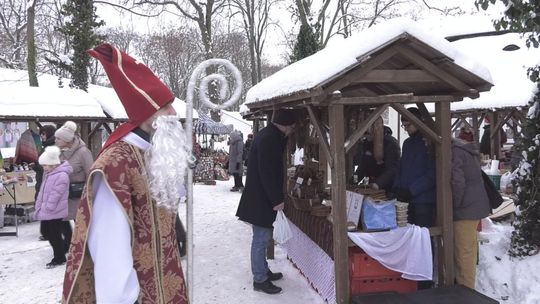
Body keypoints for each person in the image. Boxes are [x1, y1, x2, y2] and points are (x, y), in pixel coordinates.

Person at [62, 44, 189, 303]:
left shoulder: (155, 155)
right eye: (166, 107)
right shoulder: (115, 164)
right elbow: (110, 252)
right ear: (146, 113)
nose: (174, 114)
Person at [236, 109, 296, 295]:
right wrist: (276, 200)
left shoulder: (269, 135)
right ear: (285, 125)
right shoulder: (269, 139)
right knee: (261, 240)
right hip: (261, 199)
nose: (292, 130)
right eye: (291, 127)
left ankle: (263, 271)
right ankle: (260, 279)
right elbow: (267, 173)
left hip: (259, 197)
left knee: (263, 237)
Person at [451, 138, 491, 289]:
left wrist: (453, 205)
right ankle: (465, 287)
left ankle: (466, 291)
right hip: (474, 205)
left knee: (463, 253)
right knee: (469, 250)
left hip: (465, 208)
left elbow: (458, 183)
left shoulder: (455, 152)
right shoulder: (464, 149)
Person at [392, 107, 436, 228]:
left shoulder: (430, 142)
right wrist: (397, 187)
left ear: (418, 122)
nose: (406, 129)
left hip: (424, 201)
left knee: (423, 235)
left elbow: (432, 174)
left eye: (408, 125)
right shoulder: (407, 143)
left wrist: (412, 190)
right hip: (407, 200)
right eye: (404, 126)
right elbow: (401, 168)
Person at [54, 121, 93, 252]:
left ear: (66, 140)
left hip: (78, 195)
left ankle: (86, 248)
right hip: (63, 194)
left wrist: (89, 194)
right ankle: (69, 245)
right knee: (60, 220)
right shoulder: (59, 152)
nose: (56, 140)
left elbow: (91, 174)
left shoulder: (83, 152)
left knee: (81, 222)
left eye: (58, 138)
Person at [33, 146, 73, 268]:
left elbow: (56, 193)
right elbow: (43, 192)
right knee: (48, 232)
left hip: (54, 210)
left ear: (53, 164)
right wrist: (40, 205)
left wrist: (49, 206)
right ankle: (61, 252)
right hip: (48, 209)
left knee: (54, 234)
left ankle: (59, 256)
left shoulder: (61, 175)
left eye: (45, 165)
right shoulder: (49, 174)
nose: (43, 168)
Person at [353, 125, 401, 191]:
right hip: (372, 184)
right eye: (364, 135)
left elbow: (392, 169)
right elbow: (362, 167)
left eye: (368, 134)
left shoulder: (391, 143)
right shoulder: (367, 143)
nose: (366, 137)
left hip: (387, 187)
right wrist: (353, 181)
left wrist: (378, 184)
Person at [33, 125, 57, 241]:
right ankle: (47, 232)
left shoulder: (51, 147)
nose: (41, 136)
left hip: (48, 181)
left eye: (43, 134)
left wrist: (37, 167)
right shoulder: (46, 146)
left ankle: (49, 232)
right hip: (42, 180)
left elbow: (50, 166)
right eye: (41, 134)